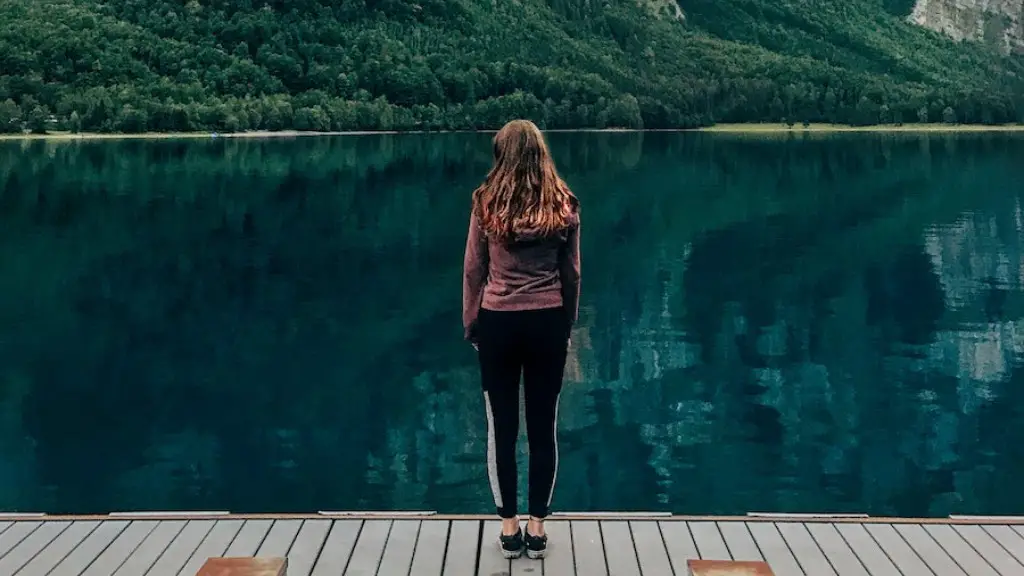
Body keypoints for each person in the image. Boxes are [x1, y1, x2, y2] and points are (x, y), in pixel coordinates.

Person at [462, 119, 581, 560]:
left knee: (502, 428)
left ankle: (509, 529)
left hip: (499, 323)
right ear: (540, 155)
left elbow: (474, 269)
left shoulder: (486, 203)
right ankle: (538, 526)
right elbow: (571, 273)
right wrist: (565, 322)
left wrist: (472, 323)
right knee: (543, 427)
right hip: (547, 321)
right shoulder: (564, 204)